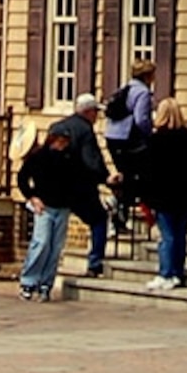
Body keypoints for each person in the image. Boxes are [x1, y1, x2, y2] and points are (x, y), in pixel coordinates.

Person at [137, 97, 187, 290]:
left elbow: (150, 171)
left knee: (166, 237)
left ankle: (166, 273)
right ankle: (177, 272)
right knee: (180, 235)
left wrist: (146, 197)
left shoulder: (156, 140)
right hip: (183, 194)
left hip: (163, 195)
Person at [47, 94, 113, 277]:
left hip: (54, 188)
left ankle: (45, 269)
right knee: (99, 220)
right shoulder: (85, 130)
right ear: (88, 112)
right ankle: (95, 263)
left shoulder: (57, 127)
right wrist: (105, 178)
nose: (97, 117)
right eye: (95, 113)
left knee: (51, 231)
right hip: (80, 188)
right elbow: (91, 160)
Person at [13, 124, 79, 301]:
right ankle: (28, 281)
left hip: (63, 207)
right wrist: (31, 197)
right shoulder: (38, 156)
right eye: (60, 141)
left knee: (55, 248)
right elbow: (21, 178)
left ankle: (46, 283)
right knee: (41, 243)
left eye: (65, 142)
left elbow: (76, 180)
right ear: (52, 139)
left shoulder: (70, 157)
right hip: (44, 206)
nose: (62, 145)